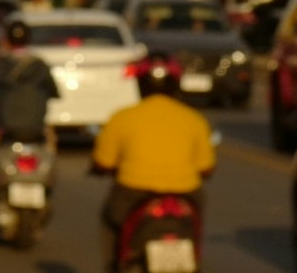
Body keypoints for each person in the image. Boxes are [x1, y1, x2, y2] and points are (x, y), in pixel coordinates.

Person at [90, 53, 219, 259]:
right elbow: (206, 168)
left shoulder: (122, 117)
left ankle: (115, 272)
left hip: (132, 191)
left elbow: (103, 162)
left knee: (110, 220)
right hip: (186, 193)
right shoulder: (194, 119)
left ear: (140, 84)